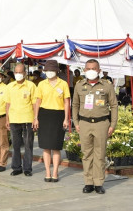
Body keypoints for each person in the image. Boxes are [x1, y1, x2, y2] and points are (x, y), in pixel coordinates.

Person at [72, 59, 118, 194]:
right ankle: (88, 183)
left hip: (101, 123)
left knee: (100, 154)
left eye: (94, 68)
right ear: (84, 70)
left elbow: (114, 105)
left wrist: (112, 124)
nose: (91, 71)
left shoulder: (106, 85)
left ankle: (98, 183)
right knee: (87, 154)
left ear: (99, 70)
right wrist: (76, 122)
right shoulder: (79, 85)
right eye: (88, 68)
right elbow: (74, 105)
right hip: (84, 123)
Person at [33, 60, 70, 182]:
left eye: (52, 70)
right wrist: (36, 117)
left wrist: (66, 118)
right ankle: (47, 172)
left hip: (58, 115)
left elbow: (66, 102)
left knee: (56, 146)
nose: (49, 72)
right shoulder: (42, 84)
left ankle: (55, 172)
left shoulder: (63, 83)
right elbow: (38, 101)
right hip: (44, 114)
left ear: (57, 71)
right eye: (47, 70)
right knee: (46, 146)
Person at [6, 63, 36, 176]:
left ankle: (27, 168)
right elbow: (7, 104)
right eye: (16, 72)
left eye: (20, 72)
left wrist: (35, 118)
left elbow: (34, 103)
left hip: (28, 118)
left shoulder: (31, 86)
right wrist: (7, 119)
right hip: (14, 118)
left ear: (25, 73)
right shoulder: (10, 86)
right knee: (15, 145)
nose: (18, 74)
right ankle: (16, 167)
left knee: (28, 145)